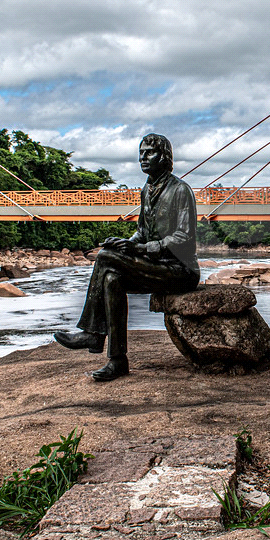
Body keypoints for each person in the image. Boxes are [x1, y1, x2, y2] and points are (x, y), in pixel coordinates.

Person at [53, 133, 200, 381]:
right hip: (156, 266)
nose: (143, 158)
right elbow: (142, 231)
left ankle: (94, 334)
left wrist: (140, 250)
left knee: (105, 257)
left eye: (149, 153)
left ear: (165, 157)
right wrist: (127, 244)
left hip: (180, 270)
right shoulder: (147, 189)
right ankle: (118, 360)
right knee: (112, 279)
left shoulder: (180, 190)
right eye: (141, 153)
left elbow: (184, 238)